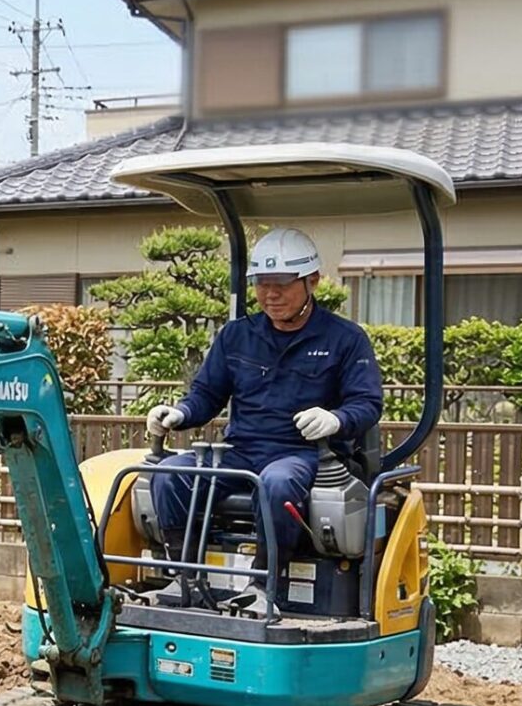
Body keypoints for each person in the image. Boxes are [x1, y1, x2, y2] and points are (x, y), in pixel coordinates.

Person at [145, 227, 383, 569]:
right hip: (241, 452)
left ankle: (263, 584)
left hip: (304, 455)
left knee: (276, 482)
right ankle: (184, 574)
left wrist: (336, 420)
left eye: (282, 284)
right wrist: (180, 413)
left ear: (312, 281)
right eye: (261, 284)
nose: (270, 294)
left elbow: (367, 403)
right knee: (169, 473)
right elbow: (207, 394)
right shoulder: (237, 335)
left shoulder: (345, 339)